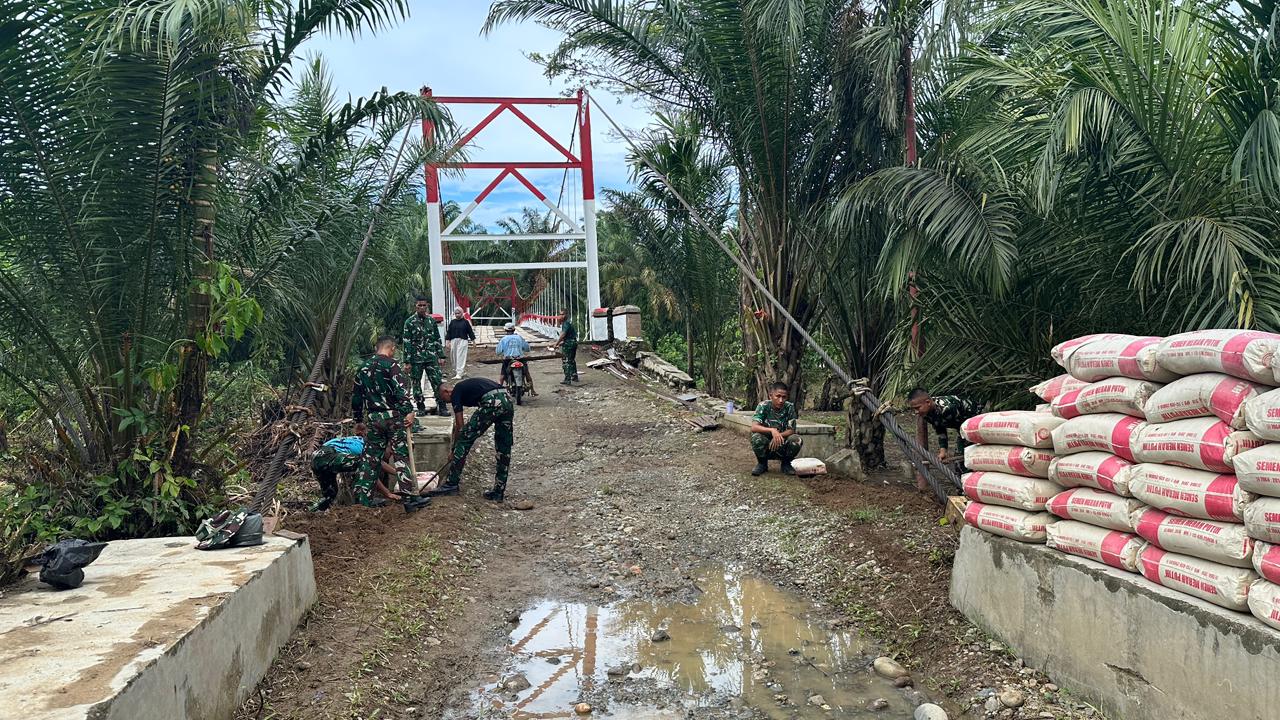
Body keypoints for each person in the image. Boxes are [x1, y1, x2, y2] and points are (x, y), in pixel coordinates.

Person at [352, 336, 432, 512]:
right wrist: (409, 411)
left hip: (374, 419)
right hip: (393, 417)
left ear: (376, 347)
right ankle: (409, 499)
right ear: (392, 348)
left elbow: (356, 397)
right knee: (401, 456)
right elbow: (401, 391)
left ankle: (363, 501)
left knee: (370, 459)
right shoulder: (392, 365)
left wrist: (358, 420)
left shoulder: (363, 367)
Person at [432, 377, 515, 503]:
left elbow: (460, 426)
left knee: (464, 439)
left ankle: (451, 484)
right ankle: (499, 491)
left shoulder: (456, 392)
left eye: (444, 399)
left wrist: (454, 449)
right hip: (507, 399)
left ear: (446, 392)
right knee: (504, 446)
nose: (447, 402)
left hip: (492, 401)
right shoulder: (466, 387)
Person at [309, 429, 404, 511]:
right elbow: (370, 467)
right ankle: (363, 503)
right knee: (366, 464)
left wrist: (399, 474)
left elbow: (380, 463)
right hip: (326, 455)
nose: (390, 456)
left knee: (330, 495)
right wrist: (387, 493)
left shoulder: (362, 442)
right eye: (390, 453)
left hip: (316, 458)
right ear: (386, 446)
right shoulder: (369, 446)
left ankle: (311, 511)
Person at [908, 388, 983, 462]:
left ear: (928, 402)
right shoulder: (926, 414)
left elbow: (963, 428)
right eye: (914, 409)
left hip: (975, 417)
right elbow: (940, 430)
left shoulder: (947, 408)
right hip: (963, 425)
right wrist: (943, 451)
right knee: (960, 458)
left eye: (917, 408)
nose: (916, 412)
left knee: (967, 453)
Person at [402, 297, 448, 416]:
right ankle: (420, 406)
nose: (422, 308)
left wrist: (441, 355)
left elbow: (437, 338)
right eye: (420, 305)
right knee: (416, 383)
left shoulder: (431, 321)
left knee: (437, 381)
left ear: (427, 306)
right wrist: (407, 361)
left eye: (424, 305)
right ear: (416, 306)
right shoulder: (409, 322)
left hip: (431, 358)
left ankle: (442, 406)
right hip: (416, 359)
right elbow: (406, 342)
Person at [749, 382, 803, 476]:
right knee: (756, 438)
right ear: (771, 396)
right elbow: (754, 427)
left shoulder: (789, 407)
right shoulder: (763, 406)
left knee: (797, 439)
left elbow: (791, 430)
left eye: (784, 397)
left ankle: (786, 464)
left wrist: (778, 435)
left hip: (782, 441)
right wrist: (772, 431)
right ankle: (762, 464)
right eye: (778, 396)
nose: (781, 400)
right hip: (766, 442)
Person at [496, 323, 535, 396]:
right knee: (527, 374)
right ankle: (533, 390)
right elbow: (527, 348)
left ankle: (498, 394)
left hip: (508, 360)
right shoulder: (519, 338)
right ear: (514, 330)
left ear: (505, 330)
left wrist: (503, 352)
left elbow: (498, 351)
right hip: (520, 359)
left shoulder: (503, 339)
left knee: (502, 377)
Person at [550, 308, 579, 386]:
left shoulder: (565, 324)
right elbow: (568, 337)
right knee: (571, 360)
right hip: (573, 343)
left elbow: (563, 335)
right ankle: (574, 375)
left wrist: (556, 343)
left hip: (569, 344)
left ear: (566, 315)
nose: (561, 316)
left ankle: (567, 379)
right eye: (560, 314)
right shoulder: (568, 323)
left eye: (562, 314)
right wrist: (559, 344)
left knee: (566, 361)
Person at [445, 307, 476, 380]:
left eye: (458, 313)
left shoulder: (465, 322)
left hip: (463, 341)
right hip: (454, 340)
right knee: (454, 356)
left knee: (460, 356)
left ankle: (459, 373)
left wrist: (473, 341)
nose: (457, 315)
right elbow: (449, 332)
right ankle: (456, 370)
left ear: (461, 313)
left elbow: (470, 332)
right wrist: (447, 341)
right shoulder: (452, 322)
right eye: (456, 313)